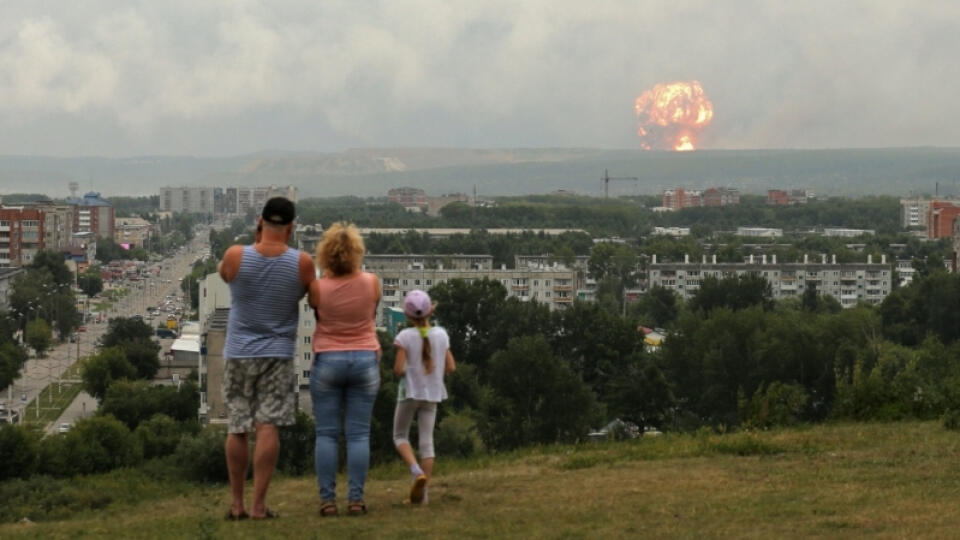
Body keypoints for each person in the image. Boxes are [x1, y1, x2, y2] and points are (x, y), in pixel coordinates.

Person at [218, 197, 315, 520]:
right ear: (291, 227)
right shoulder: (302, 263)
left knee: (238, 426)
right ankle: (259, 506)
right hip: (278, 353)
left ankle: (237, 504)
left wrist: (256, 241)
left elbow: (224, 275)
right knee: (268, 426)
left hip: (238, 352)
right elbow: (310, 295)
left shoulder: (235, 256)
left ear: (260, 222)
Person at [308, 222, 382, 517]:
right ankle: (356, 499)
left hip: (328, 360)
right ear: (356, 253)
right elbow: (372, 311)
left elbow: (318, 313)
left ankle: (328, 501)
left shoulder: (318, 288)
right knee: (358, 435)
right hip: (364, 360)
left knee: (326, 435)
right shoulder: (371, 283)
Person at [392, 289, 456, 505]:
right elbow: (451, 367)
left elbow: (398, 369)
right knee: (427, 444)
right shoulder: (441, 334)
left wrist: (412, 369)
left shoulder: (404, 337)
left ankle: (415, 469)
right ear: (431, 311)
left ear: (408, 315)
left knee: (400, 436)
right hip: (433, 394)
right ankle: (423, 496)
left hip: (409, 393)